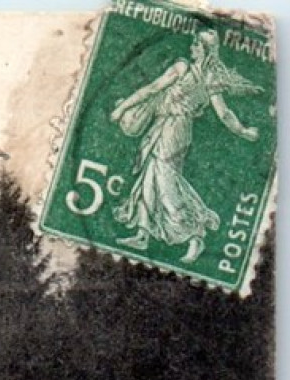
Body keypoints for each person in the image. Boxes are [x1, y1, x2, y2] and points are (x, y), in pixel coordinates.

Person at [109, 28, 260, 265]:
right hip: (169, 127)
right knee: (150, 177)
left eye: (196, 45)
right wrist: (243, 131)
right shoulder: (210, 78)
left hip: (173, 130)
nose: (192, 48)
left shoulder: (185, 70)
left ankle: (195, 235)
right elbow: (224, 113)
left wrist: (121, 108)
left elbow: (152, 89)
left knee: (166, 182)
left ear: (205, 50)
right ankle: (143, 233)